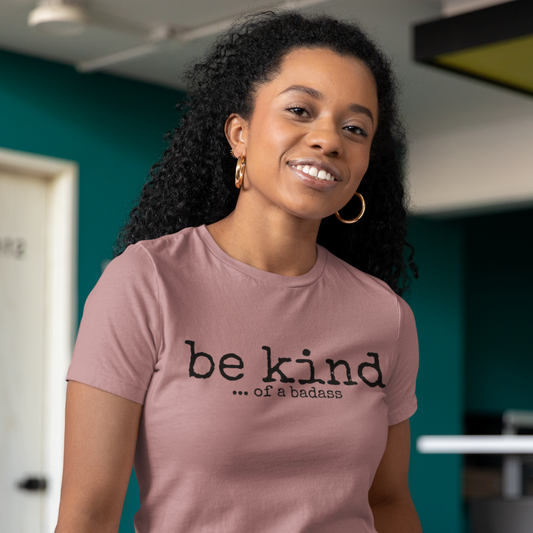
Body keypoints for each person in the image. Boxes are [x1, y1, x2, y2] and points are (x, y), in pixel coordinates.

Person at [55, 10, 421, 533]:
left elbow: (387, 502)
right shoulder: (147, 282)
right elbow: (89, 513)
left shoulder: (385, 314)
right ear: (239, 133)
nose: (328, 139)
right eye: (299, 110)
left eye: (354, 127)